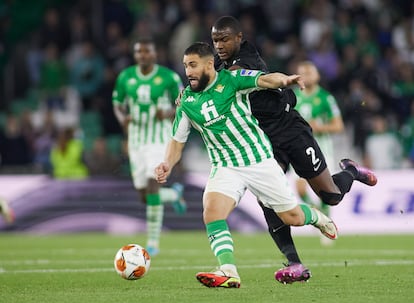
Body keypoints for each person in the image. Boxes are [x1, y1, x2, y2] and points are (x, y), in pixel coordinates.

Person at [155, 42, 338, 289]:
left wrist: (286, 80)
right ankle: (228, 270)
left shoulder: (231, 80)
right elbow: (177, 141)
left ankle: (317, 217)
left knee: (292, 216)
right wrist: (167, 163)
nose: (188, 71)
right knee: (212, 212)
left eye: (193, 65)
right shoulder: (187, 101)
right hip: (225, 165)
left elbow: (264, 80)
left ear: (209, 64)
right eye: (186, 66)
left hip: (258, 160)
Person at [210, 15, 377, 284]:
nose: (219, 45)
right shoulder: (219, 65)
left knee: (330, 196)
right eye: (215, 40)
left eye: (225, 39)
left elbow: (245, 78)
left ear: (239, 38)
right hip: (262, 139)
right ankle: (295, 263)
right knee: (266, 198)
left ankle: (352, 172)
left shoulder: (246, 58)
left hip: (290, 129)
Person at [112, 38, 187, 257]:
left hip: (159, 140)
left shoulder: (168, 77)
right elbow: (117, 103)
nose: (143, 55)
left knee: (154, 187)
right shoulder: (126, 77)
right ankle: (173, 195)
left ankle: (153, 242)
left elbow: (184, 102)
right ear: (135, 54)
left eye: (147, 51)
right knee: (144, 195)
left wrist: (167, 113)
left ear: (154, 54)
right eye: (139, 52)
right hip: (136, 141)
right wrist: (121, 119)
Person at [294, 61, 345, 245]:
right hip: (298, 147)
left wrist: (320, 127)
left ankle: (327, 225)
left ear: (317, 76)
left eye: (309, 72)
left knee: (325, 191)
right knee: (299, 188)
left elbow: (338, 125)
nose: (306, 76)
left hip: (321, 148)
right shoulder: (294, 97)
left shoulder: (325, 98)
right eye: (302, 73)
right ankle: (317, 215)